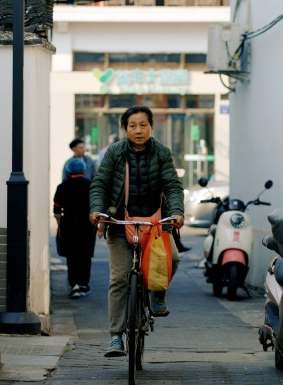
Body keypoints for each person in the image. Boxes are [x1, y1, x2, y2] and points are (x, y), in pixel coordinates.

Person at [89, 105, 185, 357]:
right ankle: (115, 337)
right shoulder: (115, 153)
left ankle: (157, 293)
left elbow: (173, 186)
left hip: (155, 224)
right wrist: (97, 210)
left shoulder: (162, 152)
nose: (138, 130)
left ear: (151, 127)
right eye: (133, 125)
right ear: (125, 128)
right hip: (120, 223)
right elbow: (100, 184)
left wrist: (176, 212)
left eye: (143, 125)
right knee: (119, 278)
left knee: (172, 258)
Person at [54, 158, 97, 299]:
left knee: (71, 257)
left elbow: (57, 209)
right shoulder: (90, 185)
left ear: (68, 171)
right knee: (85, 255)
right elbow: (96, 206)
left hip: (68, 226)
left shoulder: (62, 187)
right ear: (83, 170)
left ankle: (74, 286)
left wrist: (59, 225)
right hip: (87, 226)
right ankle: (84, 284)